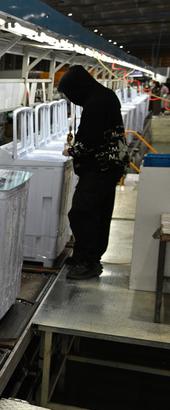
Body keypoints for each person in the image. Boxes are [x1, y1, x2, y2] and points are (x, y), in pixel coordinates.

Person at [57, 65, 129, 280]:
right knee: (99, 212)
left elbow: (89, 138)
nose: (71, 99)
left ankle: (86, 262)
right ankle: (90, 257)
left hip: (100, 167)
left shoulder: (95, 102)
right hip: (112, 165)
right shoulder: (105, 95)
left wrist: (71, 150)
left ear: (77, 88)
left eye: (70, 94)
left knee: (82, 212)